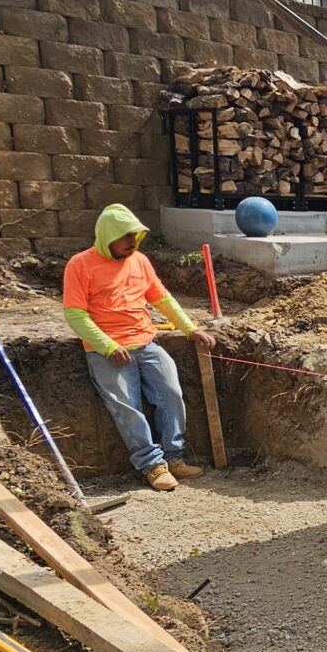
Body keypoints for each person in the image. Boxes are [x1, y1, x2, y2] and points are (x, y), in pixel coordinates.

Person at [63, 204, 216, 491]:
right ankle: (152, 465)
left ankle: (174, 457)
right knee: (127, 407)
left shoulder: (140, 261)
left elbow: (163, 298)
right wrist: (107, 346)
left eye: (136, 237)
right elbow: (75, 314)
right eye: (125, 237)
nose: (132, 243)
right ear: (107, 236)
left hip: (146, 342)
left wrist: (190, 329)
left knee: (171, 393)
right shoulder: (80, 265)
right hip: (107, 351)